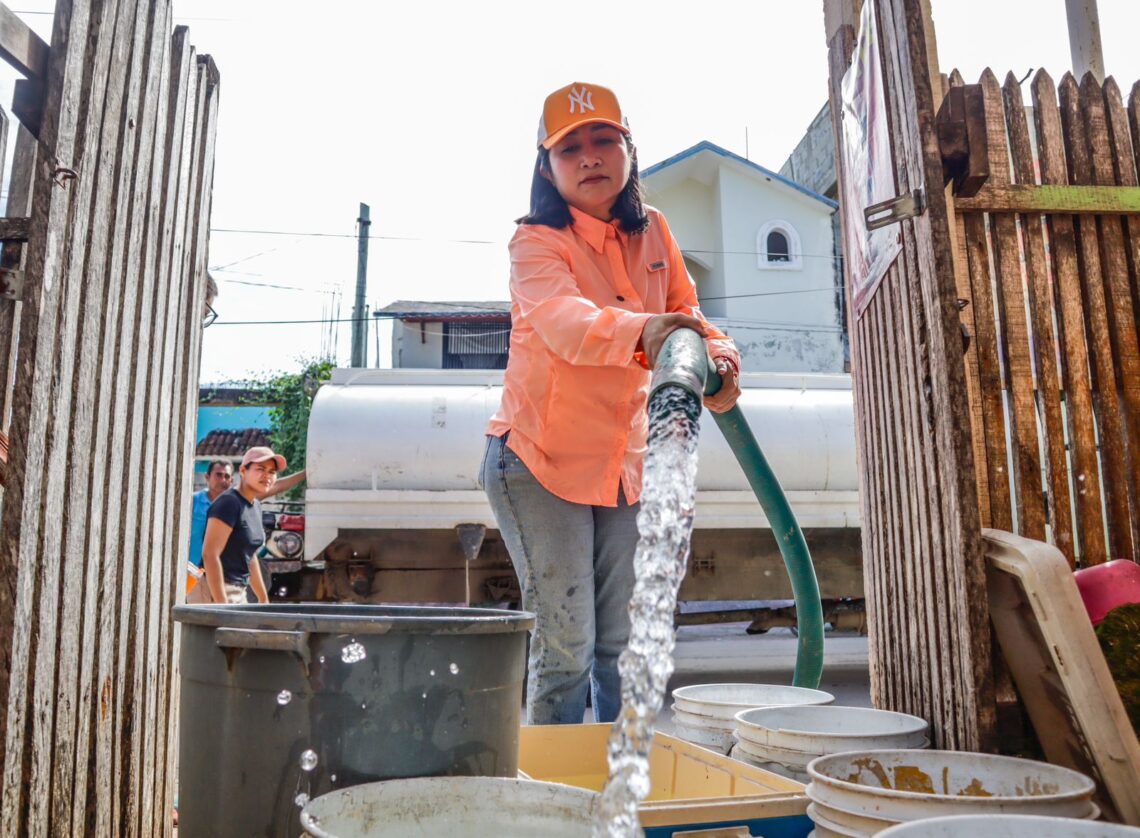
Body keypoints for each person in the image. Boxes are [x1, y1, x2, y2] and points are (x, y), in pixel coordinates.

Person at [480, 82, 742, 725]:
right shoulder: (536, 243)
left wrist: (720, 357)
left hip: (625, 465)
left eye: (604, 139)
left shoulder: (654, 230)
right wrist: (646, 332)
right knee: (566, 649)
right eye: (571, 148)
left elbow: (687, 311)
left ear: (628, 149)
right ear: (547, 167)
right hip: (540, 462)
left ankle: (629, 800)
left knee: (623, 649)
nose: (590, 156)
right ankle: (558, 806)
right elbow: (566, 322)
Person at [197, 446, 288, 605]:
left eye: (272, 472)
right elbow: (210, 554)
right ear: (243, 471)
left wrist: (263, 599)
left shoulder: (255, 506)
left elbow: (249, 555)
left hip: (238, 589)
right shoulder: (229, 503)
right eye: (260, 469)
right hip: (214, 589)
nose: (267, 476)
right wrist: (221, 604)